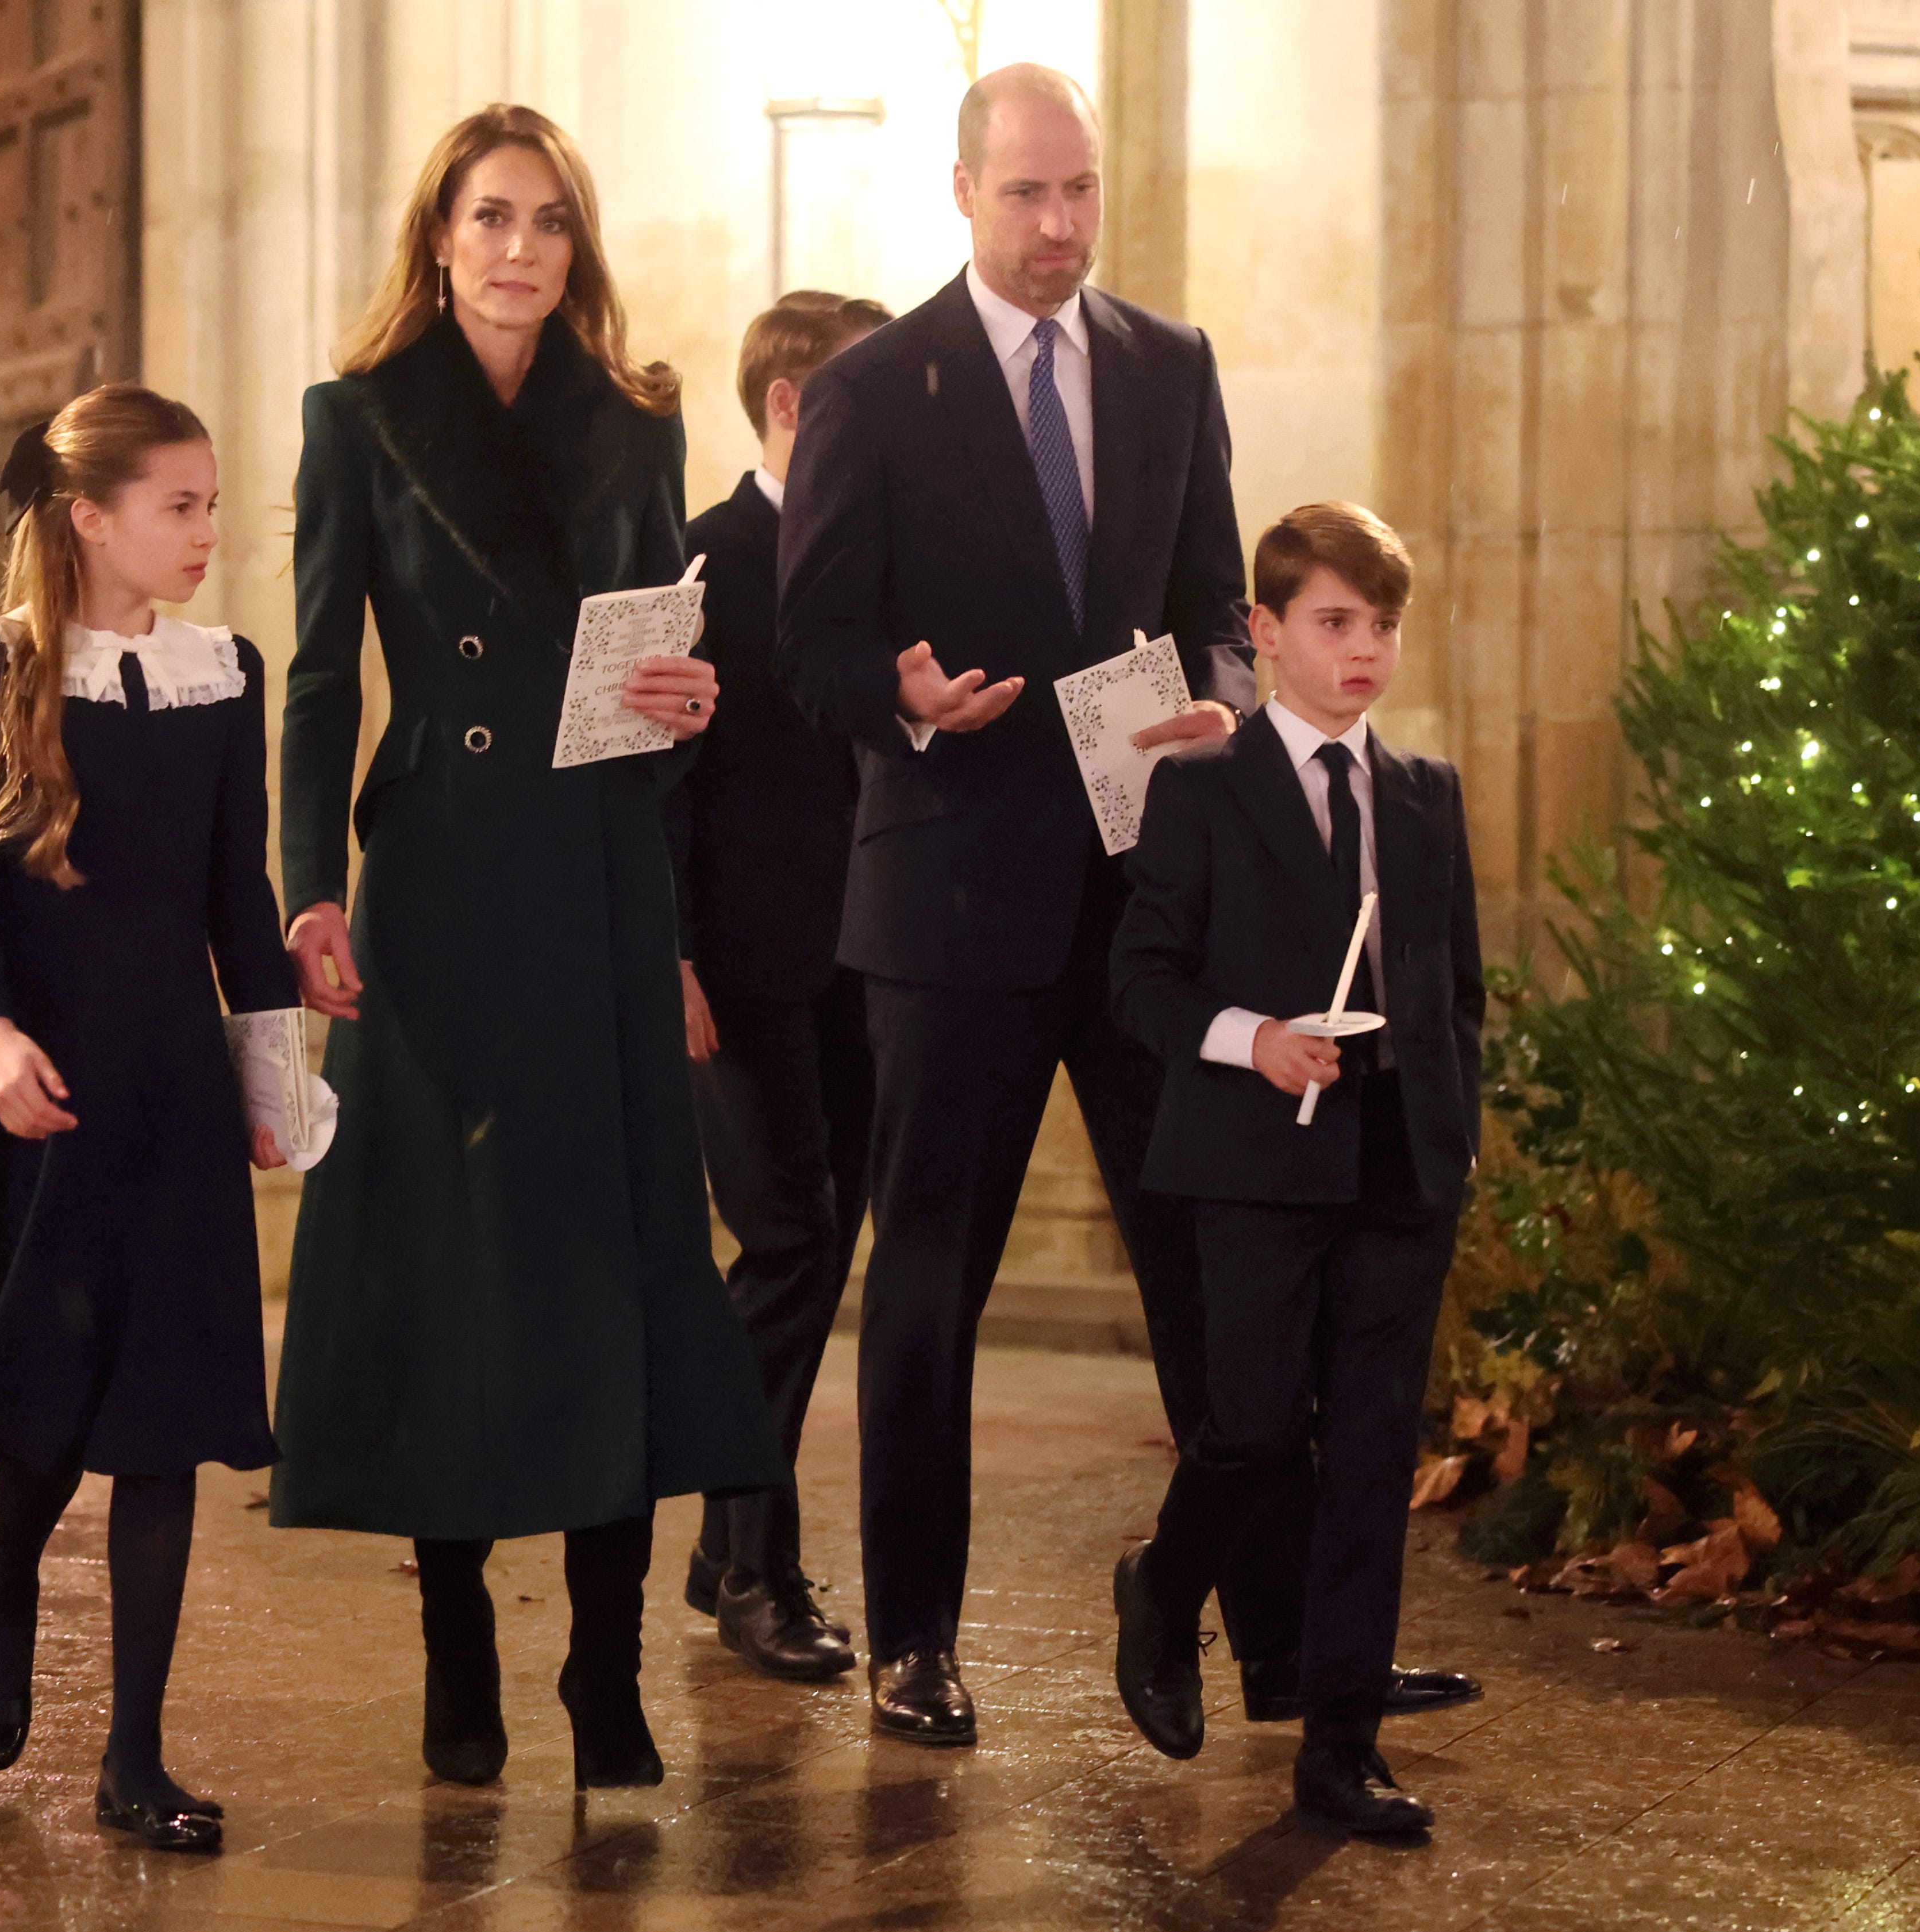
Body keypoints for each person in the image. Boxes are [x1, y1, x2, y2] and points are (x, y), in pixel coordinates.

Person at [273, 103, 785, 1792]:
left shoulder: (635, 423)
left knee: (604, 1260)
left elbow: (652, 667)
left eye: (548, 222)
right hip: (429, 886)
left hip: (593, 875)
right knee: (451, 1272)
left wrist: (685, 706)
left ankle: (605, 1662)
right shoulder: (351, 422)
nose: (518, 249)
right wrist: (305, 885)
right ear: (438, 239)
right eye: (490, 217)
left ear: (576, 247)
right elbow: (325, 681)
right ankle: (456, 1652)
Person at [773, 63, 1260, 1745]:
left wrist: (1224, 698)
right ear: (964, 193)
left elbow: (1218, 608)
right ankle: (914, 1639)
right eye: (1028, 195)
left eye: (1080, 193)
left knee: (1210, 1268)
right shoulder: (871, 389)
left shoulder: (1168, 367)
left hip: (1141, 910)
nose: (1059, 227)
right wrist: (902, 694)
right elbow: (808, 643)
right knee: (926, 1287)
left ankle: (1244, 1623)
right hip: (950, 909)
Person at [0, 386, 295, 1854]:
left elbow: (239, 896)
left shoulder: (228, 671)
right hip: (46, 1091)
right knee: (51, 1392)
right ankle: (10, 1575)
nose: (208, 532)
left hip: (174, 1091)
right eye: (181, 505)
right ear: (92, 518)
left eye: (213, 504)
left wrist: (270, 1079)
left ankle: (135, 1757)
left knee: (166, 1425)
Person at [1107, 503, 1484, 1835]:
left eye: (1381, 624)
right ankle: (1162, 1585)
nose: (1364, 649)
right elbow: (1139, 979)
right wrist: (1252, 1039)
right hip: (1257, 1163)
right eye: (1334, 623)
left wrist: (1452, 1134)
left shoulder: (1424, 795)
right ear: (1264, 633)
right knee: (1254, 1427)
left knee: (1373, 1450)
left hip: (1397, 1170)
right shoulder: (1202, 790)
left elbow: (1457, 996)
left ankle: (1338, 1750)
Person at [671, 290, 890, 1683]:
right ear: (791, 404)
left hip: (868, 965)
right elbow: (650, 778)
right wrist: (665, 955)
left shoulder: (884, 561)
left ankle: (719, 1543)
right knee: (791, 1250)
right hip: (733, 973)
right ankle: (755, 1571)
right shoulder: (692, 560)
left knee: (813, 1256)